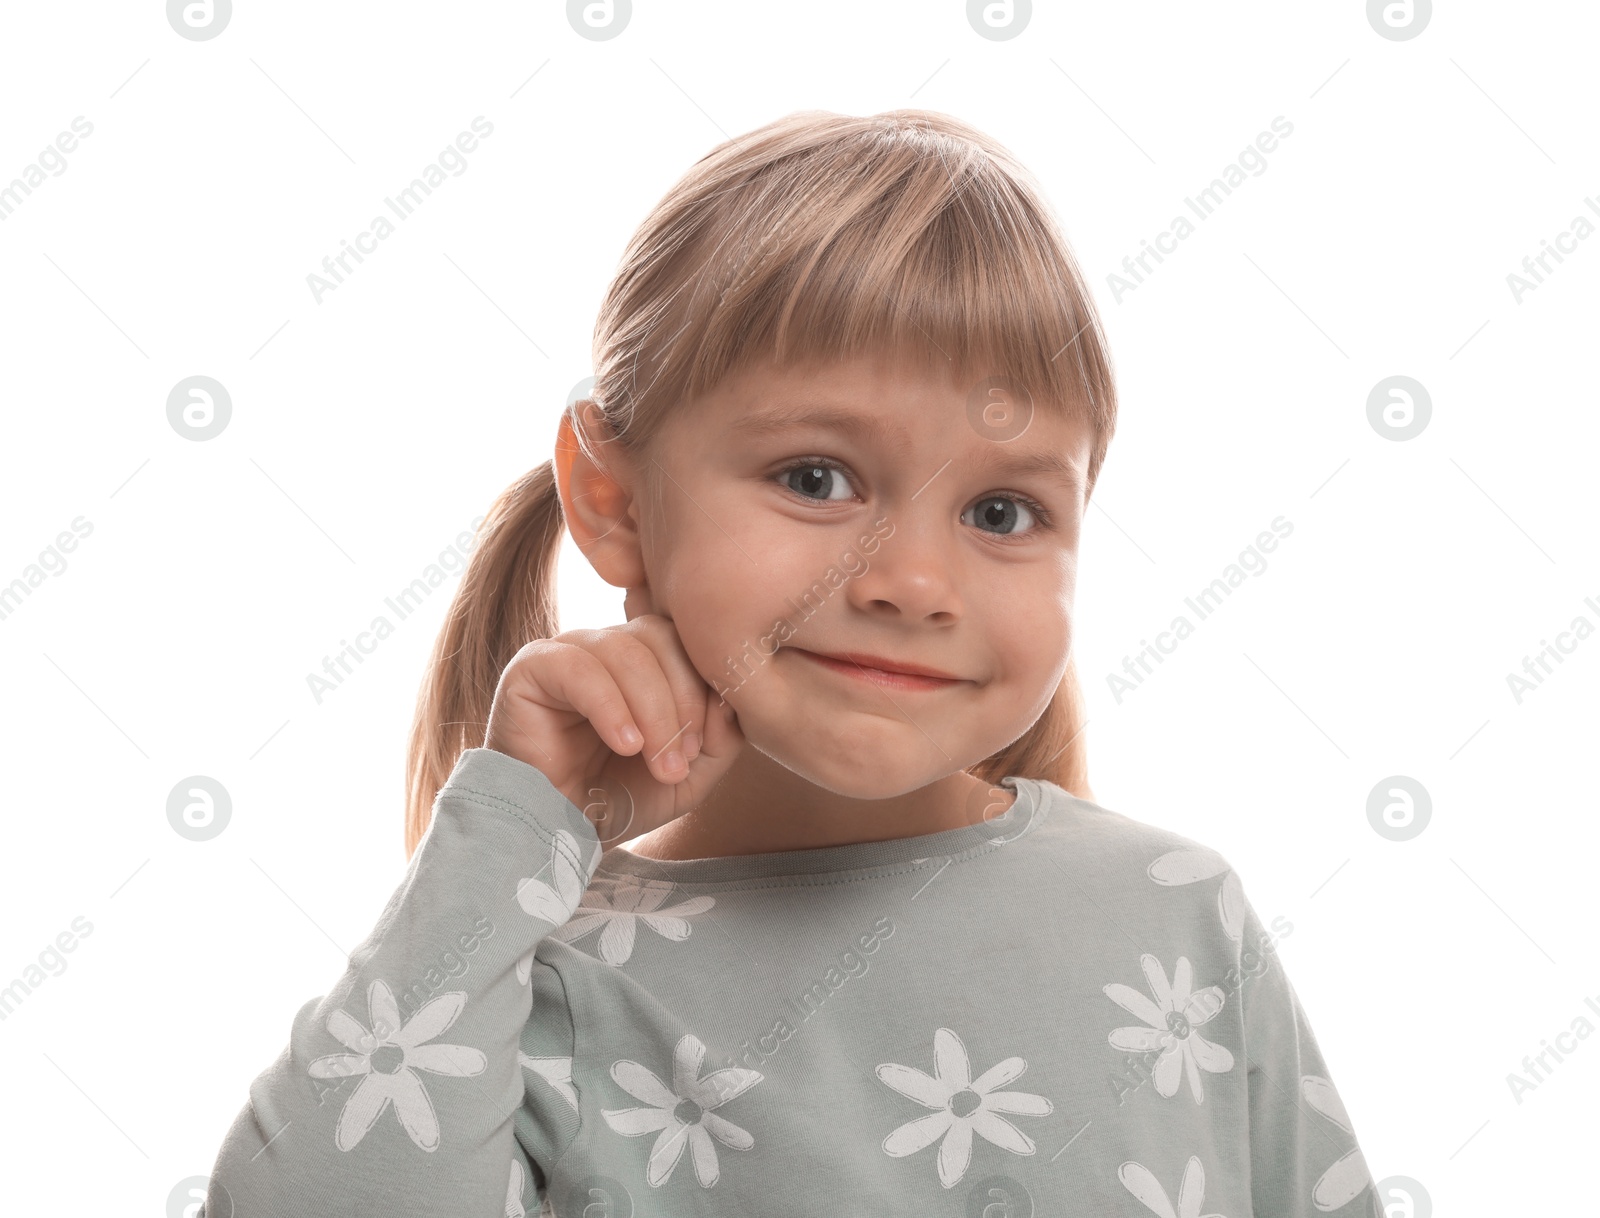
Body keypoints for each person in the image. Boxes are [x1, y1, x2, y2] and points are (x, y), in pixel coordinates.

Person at [199, 109, 1379, 1218]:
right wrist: (511, 834)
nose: (913, 583)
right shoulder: (527, 980)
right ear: (611, 498)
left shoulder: (1170, 922)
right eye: (816, 478)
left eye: (1004, 512)